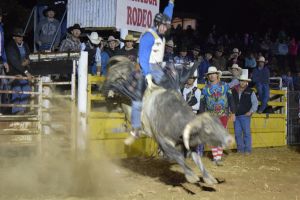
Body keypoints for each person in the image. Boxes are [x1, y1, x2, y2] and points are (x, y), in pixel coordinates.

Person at [124, 0, 175, 145]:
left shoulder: (161, 27)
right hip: (147, 68)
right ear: (158, 24)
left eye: (167, 26)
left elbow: (167, 14)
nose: (165, 29)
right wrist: (148, 76)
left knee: (174, 86)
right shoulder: (148, 36)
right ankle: (135, 128)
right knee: (138, 96)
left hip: (158, 67)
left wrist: (170, 3)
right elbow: (143, 59)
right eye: (164, 26)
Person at [200, 66, 235, 166]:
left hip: (223, 114)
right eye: (210, 74)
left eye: (213, 74)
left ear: (217, 75)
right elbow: (202, 103)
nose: (212, 76)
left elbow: (231, 99)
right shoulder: (205, 89)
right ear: (208, 76)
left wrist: (233, 112)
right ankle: (217, 157)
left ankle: (217, 157)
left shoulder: (225, 86)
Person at [6, 28, 32, 114]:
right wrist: (25, 71)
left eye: (22, 37)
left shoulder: (25, 45)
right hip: (14, 72)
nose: (21, 38)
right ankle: (16, 111)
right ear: (14, 37)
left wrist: (28, 61)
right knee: (17, 88)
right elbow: (14, 62)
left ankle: (22, 110)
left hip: (23, 71)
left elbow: (29, 56)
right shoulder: (10, 47)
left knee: (27, 88)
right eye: (18, 36)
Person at [232, 69, 258, 154]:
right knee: (237, 133)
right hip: (236, 115)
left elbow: (255, 103)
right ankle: (240, 149)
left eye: (244, 81)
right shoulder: (233, 91)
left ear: (246, 82)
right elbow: (231, 102)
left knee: (246, 133)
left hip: (245, 115)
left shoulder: (250, 91)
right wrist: (232, 112)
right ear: (239, 81)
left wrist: (251, 111)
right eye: (241, 81)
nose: (242, 83)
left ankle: (247, 150)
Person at [0, 8, 10, 114]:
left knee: (2, 84)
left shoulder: (1, 29)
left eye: (1, 16)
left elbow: (1, 47)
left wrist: (5, 61)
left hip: (0, 59)